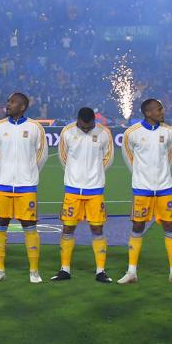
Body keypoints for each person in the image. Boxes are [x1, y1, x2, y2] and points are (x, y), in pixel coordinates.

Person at [120, 98, 172, 285]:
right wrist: (141, 176)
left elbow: (171, 154)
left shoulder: (169, 131)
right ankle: (131, 272)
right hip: (142, 189)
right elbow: (128, 157)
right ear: (148, 113)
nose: (162, 112)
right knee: (137, 227)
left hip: (165, 188)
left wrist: (162, 174)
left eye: (162, 109)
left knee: (170, 227)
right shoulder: (132, 133)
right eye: (159, 109)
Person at [0, 91, 47, 282]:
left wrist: (28, 172)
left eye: (12, 102)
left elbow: (41, 155)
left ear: (22, 107)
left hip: (26, 186)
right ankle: (0, 270)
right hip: (2, 185)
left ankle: (34, 271)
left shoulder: (35, 127)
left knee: (30, 227)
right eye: (8, 101)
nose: (8, 104)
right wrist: (4, 171)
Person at [56, 106, 116, 283]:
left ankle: (100, 271)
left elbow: (108, 158)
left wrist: (94, 173)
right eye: (83, 126)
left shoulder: (104, 133)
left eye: (89, 126)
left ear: (94, 121)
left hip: (95, 190)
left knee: (97, 229)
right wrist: (75, 174)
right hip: (72, 190)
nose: (86, 129)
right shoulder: (67, 132)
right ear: (78, 120)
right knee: (68, 228)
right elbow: (63, 157)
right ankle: (65, 269)